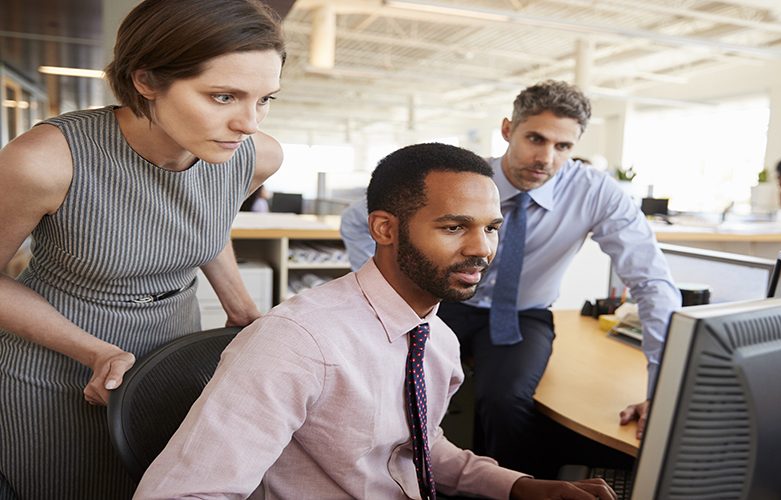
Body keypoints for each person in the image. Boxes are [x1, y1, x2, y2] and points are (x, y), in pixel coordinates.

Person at [134, 143, 616, 500]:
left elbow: (417, 448)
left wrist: (522, 487)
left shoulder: (437, 338)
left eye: (490, 228)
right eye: (454, 227)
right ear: (385, 229)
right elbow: (183, 493)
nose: (482, 249)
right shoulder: (298, 342)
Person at [0, 0, 285, 497]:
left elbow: (200, 225)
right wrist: (93, 351)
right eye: (223, 96)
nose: (250, 122)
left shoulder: (254, 157)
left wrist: (241, 309)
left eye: (265, 99)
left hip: (171, 352)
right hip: (57, 366)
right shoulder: (46, 160)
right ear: (146, 81)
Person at [341, 81, 681, 477]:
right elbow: (355, 219)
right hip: (442, 301)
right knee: (389, 383)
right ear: (508, 130)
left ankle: (511, 487)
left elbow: (651, 282)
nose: (546, 158)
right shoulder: (464, 177)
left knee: (507, 402)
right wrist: (388, 294)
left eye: (563, 147)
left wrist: (663, 390)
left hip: (523, 313)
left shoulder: (595, 192)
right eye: (535, 138)